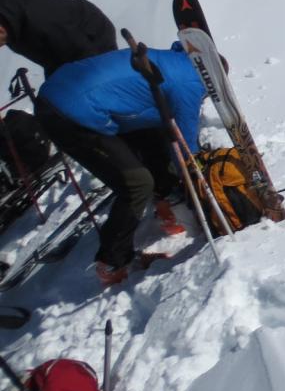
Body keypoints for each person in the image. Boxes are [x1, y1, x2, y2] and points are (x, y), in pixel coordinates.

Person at [36, 44, 206, 286]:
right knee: (136, 184)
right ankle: (112, 263)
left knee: (151, 136)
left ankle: (167, 205)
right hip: (71, 114)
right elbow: (186, 148)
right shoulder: (191, 84)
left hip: (63, 92)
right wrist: (197, 183)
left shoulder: (172, 61)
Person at [0, 0, 118, 77]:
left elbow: (81, 59)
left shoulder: (41, 25)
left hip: (91, 34)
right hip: (61, 43)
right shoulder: (11, 22)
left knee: (77, 89)